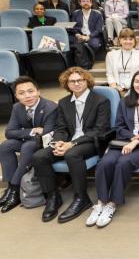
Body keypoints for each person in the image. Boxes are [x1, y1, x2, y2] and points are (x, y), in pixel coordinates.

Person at [88, 71, 139, 228]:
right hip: (123, 141)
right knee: (105, 163)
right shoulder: (125, 101)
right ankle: (101, 202)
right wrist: (131, 138)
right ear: (132, 84)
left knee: (123, 163)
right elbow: (119, 126)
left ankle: (112, 204)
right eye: (137, 81)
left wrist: (137, 140)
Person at [32, 67, 110, 223]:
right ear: (67, 84)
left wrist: (71, 144)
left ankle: (82, 198)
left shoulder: (100, 100)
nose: (76, 83)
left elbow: (99, 130)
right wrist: (59, 142)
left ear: (87, 81)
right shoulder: (63, 102)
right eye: (72, 81)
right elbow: (61, 128)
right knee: (39, 156)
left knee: (72, 153)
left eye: (80, 80)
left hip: (90, 142)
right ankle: (53, 197)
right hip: (67, 142)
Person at [0, 77, 57, 213]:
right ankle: (10, 187)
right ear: (16, 96)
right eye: (22, 93)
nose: (27, 96)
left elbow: (47, 133)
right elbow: (9, 132)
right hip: (29, 139)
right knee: (5, 146)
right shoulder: (17, 107)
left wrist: (22, 133)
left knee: (27, 146)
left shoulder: (50, 108)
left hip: (46, 143)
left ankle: (14, 189)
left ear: (38, 91)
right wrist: (32, 130)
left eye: (30, 91)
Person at [106, 29, 139, 96]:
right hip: (116, 88)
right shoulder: (110, 55)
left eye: (131, 39)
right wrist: (114, 86)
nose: (128, 42)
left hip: (136, 88)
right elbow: (110, 74)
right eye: (125, 39)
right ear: (120, 40)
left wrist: (133, 88)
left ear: (134, 41)